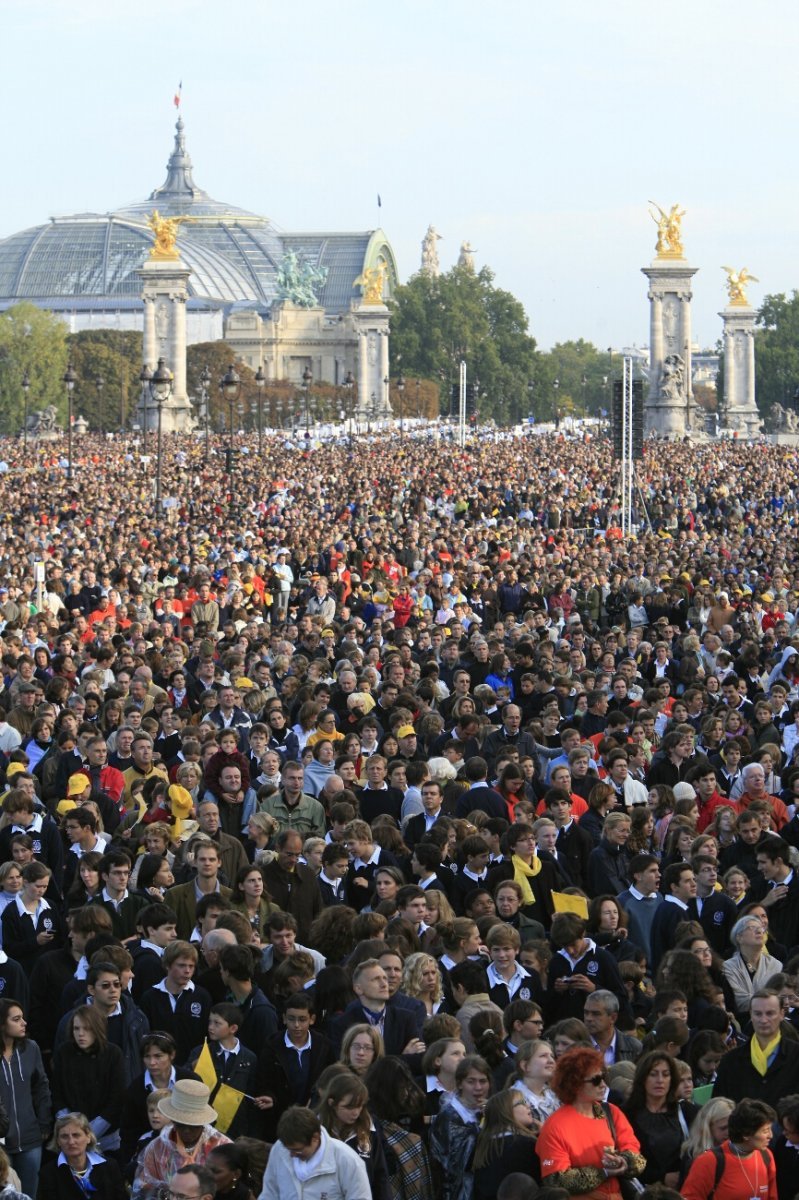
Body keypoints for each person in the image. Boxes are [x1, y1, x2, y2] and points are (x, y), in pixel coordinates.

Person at [535, 1045, 645, 1197]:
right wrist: (603, 1172)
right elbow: (556, 1180)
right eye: (596, 1080)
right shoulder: (555, 1126)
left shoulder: (611, 1112)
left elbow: (635, 1154)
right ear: (575, 1084)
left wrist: (623, 1161)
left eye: (603, 1077)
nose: (604, 1085)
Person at [132, 1079, 230, 1199]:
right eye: (181, 1124)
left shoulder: (222, 1147)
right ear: (172, 1120)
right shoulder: (158, 1147)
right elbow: (141, 1188)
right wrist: (164, 1192)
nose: (186, 1131)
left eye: (193, 1125)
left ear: (202, 1122)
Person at [50, 1004, 125, 1155]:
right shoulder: (64, 1052)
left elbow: (116, 1098)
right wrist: (72, 1127)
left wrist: (87, 1132)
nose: (81, 1034)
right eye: (76, 1028)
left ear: (97, 1028)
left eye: (87, 1028)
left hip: (106, 1138)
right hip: (70, 1137)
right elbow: (56, 1093)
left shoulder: (113, 1054)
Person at [258, 1105, 371, 1200]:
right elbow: (269, 1193)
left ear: (315, 1138)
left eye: (297, 1150)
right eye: (288, 1149)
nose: (291, 1155)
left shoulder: (347, 1160)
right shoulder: (279, 1149)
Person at [713, 989, 799, 1107]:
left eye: (770, 1013)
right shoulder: (730, 1061)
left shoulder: (796, 1056)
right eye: (758, 1014)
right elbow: (719, 1108)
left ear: (782, 1014)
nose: (763, 1020)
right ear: (751, 1015)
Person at [0, 998, 51, 1197]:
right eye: (16, 1019)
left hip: (30, 1138)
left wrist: (44, 1122)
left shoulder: (31, 1048)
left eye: (23, 1018)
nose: (24, 1023)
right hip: (1, 1145)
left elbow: (41, 1086)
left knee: (29, 1194)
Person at [681, 1097, 777, 1200]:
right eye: (765, 1131)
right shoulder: (708, 1161)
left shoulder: (766, 1156)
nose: (771, 1136)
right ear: (746, 1134)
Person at [623, 1051, 695, 1189]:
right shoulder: (626, 1114)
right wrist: (661, 1177)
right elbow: (626, 1160)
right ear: (643, 1078)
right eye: (653, 1074)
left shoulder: (685, 1110)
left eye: (666, 1074)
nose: (660, 1080)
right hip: (642, 1190)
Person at [315, 1072, 391, 1200]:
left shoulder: (368, 1130)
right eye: (349, 1107)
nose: (356, 1112)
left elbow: (380, 1175)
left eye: (360, 1106)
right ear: (331, 1103)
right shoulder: (315, 1131)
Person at [430, 1054, 492, 1200]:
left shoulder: (489, 1109)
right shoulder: (449, 1116)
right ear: (459, 1084)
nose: (478, 1087)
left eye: (483, 1081)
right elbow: (455, 1163)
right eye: (471, 1082)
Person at [35, 1111, 127, 1200]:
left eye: (76, 1135)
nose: (71, 1142)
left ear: (88, 1137)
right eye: (64, 1136)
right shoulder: (47, 1173)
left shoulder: (110, 1166)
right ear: (58, 1141)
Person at [473, 1089, 539, 1199]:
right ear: (505, 1112)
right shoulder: (525, 1144)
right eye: (521, 1103)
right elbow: (546, 1172)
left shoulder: (482, 1146)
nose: (528, 1105)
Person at [722, 915, 783, 1018]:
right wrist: (768, 999)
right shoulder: (728, 967)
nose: (759, 931)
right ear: (739, 938)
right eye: (751, 928)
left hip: (770, 1018)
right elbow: (739, 1001)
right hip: (741, 1021)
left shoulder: (776, 965)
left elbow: (779, 999)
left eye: (761, 928)